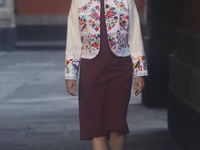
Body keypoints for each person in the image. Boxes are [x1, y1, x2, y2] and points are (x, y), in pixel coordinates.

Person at [65, 0, 148, 149]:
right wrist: (71, 74)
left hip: (120, 67)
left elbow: (135, 35)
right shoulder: (79, 1)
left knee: (117, 123)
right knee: (95, 126)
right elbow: (73, 38)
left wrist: (139, 72)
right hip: (91, 69)